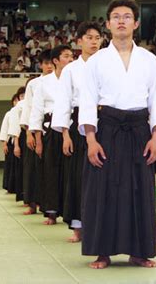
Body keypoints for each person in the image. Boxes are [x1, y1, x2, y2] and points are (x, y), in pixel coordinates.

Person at [78, 0, 156, 269]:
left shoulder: (150, 60)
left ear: (136, 24)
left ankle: (139, 251)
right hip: (108, 127)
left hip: (140, 129)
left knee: (140, 189)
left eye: (127, 17)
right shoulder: (96, 61)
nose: (121, 21)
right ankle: (102, 251)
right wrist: (91, 139)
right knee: (102, 189)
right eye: (115, 16)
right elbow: (87, 100)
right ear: (108, 24)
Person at [50, 22, 102, 243]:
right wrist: (65, 134)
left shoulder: (109, 64)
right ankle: (78, 225)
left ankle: (101, 223)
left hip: (105, 121)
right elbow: (63, 104)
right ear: (79, 41)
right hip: (78, 122)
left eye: (97, 37)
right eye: (89, 37)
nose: (93, 41)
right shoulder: (71, 69)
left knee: (104, 175)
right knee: (79, 175)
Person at [29, 45, 74, 225]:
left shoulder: (76, 78)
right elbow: (37, 111)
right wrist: (38, 138)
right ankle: (52, 210)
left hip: (71, 127)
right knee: (51, 171)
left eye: (72, 56)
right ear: (56, 60)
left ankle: (70, 210)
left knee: (70, 172)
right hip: (50, 130)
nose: (71, 59)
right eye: (66, 56)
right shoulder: (43, 83)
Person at [19, 50, 54, 215]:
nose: (49, 67)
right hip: (35, 129)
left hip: (54, 129)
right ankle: (32, 203)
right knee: (33, 168)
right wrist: (28, 133)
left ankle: (49, 204)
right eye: (46, 64)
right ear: (40, 65)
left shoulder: (61, 80)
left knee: (50, 169)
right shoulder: (34, 84)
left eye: (52, 64)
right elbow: (28, 108)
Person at [8, 87, 26, 202]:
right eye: (22, 95)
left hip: (39, 134)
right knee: (23, 169)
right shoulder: (18, 108)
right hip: (22, 136)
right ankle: (25, 196)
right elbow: (15, 129)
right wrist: (16, 145)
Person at [0, 94, 19, 194]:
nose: (16, 102)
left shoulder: (22, 111)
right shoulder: (9, 113)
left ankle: (17, 187)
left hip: (20, 140)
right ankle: (9, 186)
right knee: (10, 165)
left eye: (17, 100)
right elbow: (5, 129)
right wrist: (5, 144)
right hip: (11, 142)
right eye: (14, 100)